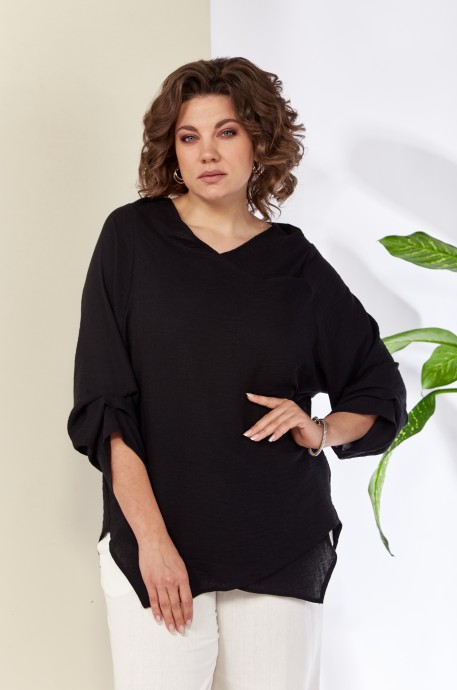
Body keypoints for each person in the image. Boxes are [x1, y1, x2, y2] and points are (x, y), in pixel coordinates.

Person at [67, 56, 408, 690]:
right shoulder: (131, 238)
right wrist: (153, 543)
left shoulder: (294, 262)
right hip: (158, 541)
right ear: (172, 150)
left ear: (259, 140)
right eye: (188, 137)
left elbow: (379, 389)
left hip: (280, 540)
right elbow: (106, 407)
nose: (207, 153)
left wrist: (319, 430)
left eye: (226, 131)